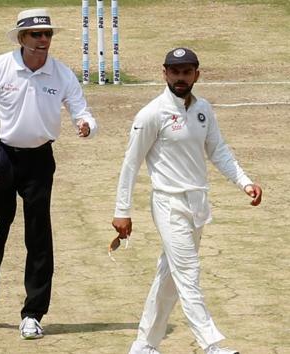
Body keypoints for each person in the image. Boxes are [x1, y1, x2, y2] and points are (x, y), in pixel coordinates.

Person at [112, 48, 263, 354]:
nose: (180, 77)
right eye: (174, 71)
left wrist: (245, 182)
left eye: (186, 71)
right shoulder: (151, 114)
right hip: (168, 204)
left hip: (197, 204)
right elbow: (131, 163)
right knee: (188, 273)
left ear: (197, 74)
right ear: (164, 73)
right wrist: (122, 211)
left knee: (169, 277)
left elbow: (218, 150)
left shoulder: (203, 108)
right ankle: (211, 345)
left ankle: (144, 345)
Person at [0, 8, 98, 339]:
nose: (43, 40)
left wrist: (85, 124)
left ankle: (33, 313)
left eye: (47, 34)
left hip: (39, 161)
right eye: (36, 35)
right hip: (2, 156)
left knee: (39, 235)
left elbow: (80, 107)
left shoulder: (61, 74)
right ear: (22, 38)